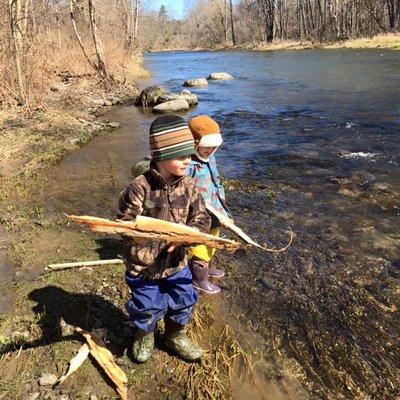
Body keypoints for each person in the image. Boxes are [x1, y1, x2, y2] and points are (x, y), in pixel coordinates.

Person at [117, 115, 211, 363]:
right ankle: (144, 333)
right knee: (146, 305)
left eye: (190, 155)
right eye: (181, 156)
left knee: (185, 299)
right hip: (143, 267)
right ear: (160, 155)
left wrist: (185, 238)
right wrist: (138, 237)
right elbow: (124, 223)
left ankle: (174, 335)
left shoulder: (189, 186)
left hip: (177, 264)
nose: (188, 161)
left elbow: (202, 219)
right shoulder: (139, 187)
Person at [187, 115, 231, 295]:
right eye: (206, 147)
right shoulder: (188, 163)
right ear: (195, 143)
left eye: (214, 147)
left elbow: (217, 180)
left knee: (213, 239)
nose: (210, 150)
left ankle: (209, 267)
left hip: (216, 209)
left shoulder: (211, 158)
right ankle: (199, 279)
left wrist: (222, 198)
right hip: (198, 213)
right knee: (199, 246)